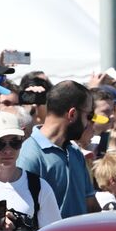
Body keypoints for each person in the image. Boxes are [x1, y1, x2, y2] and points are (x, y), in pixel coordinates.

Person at [17, 79, 92, 217]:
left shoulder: (75, 153)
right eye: (88, 115)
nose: (88, 123)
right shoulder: (28, 155)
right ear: (72, 114)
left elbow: (91, 205)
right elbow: (25, 213)